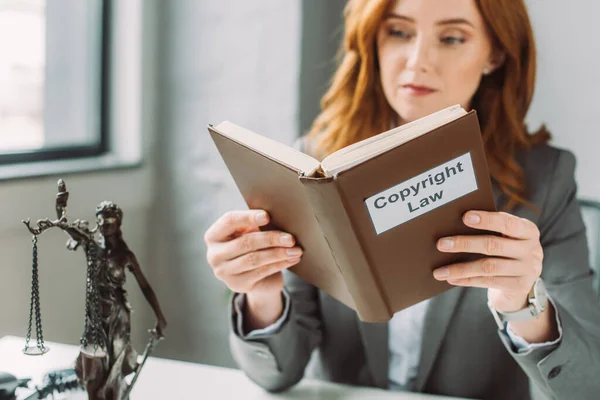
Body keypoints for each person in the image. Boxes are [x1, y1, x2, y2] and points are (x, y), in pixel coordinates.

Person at [204, 0, 600, 398]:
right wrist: (260, 292)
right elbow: (277, 376)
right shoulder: (316, 166)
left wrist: (525, 305)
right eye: (398, 32)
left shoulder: (545, 180)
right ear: (373, 40)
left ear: (495, 54)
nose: (417, 61)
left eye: (451, 38)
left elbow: (586, 386)